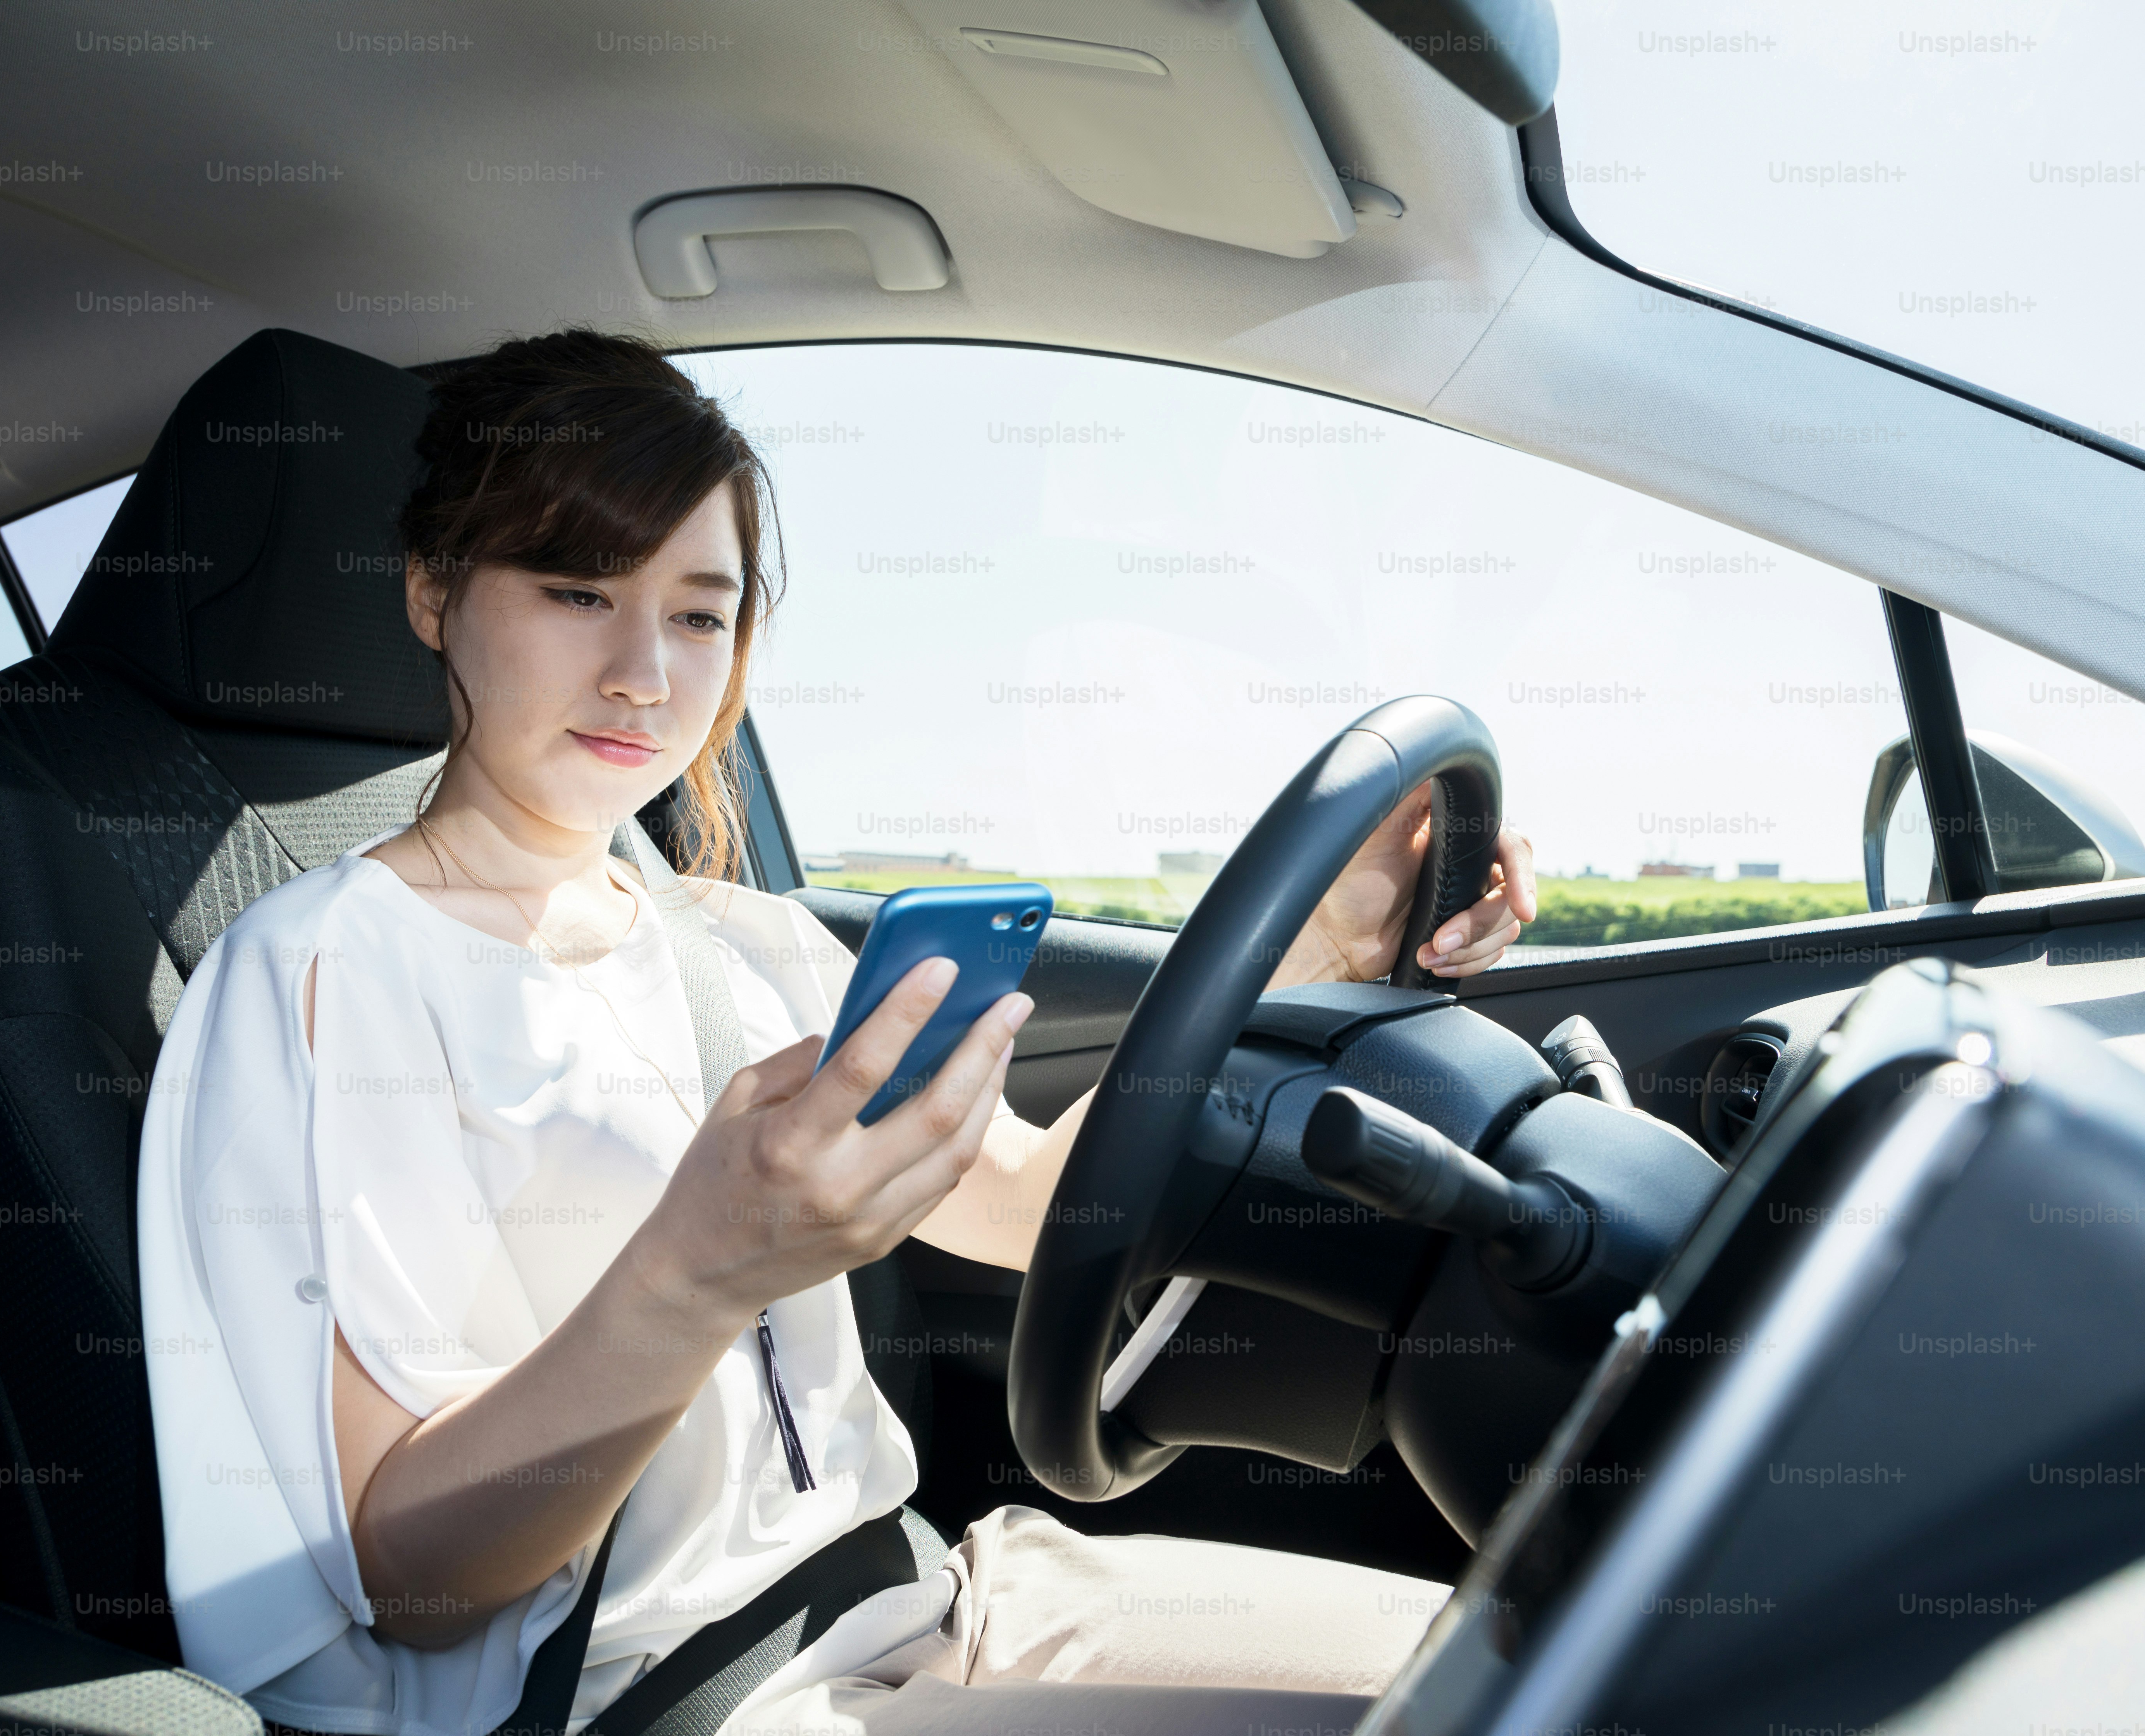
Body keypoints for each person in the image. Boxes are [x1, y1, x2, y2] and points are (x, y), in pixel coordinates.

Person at [136, 329, 1538, 1736]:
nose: (643, 674)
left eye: (699, 614)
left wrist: (1328, 953)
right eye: (576, 591)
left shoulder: (741, 942)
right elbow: (416, 1583)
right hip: (658, 1698)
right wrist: (695, 1272)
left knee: (1553, 1662)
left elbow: (1019, 1207)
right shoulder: (321, 977)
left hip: (925, 1598)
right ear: (435, 593)